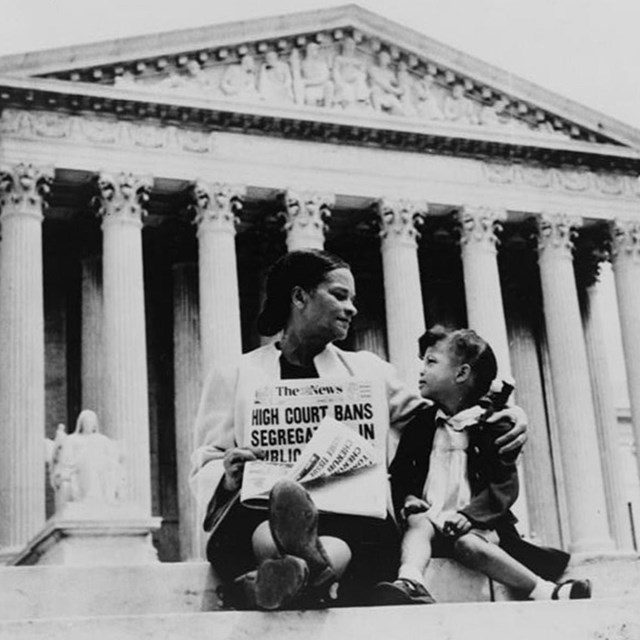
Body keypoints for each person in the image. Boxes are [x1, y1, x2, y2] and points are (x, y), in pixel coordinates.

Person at [190, 249, 528, 610]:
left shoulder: (368, 371)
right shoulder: (236, 374)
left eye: (353, 299)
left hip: (349, 516)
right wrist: (227, 475)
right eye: (339, 295)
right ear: (299, 297)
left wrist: (506, 411)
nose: (351, 308)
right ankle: (308, 570)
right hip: (261, 510)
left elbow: (441, 415)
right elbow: (207, 461)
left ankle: (283, 578)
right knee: (270, 522)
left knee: (352, 535)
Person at [373, 326, 590, 605]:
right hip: (432, 517)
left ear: (461, 374)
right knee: (418, 525)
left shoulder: (493, 425)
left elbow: (504, 485)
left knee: (469, 545)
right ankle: (411, 579)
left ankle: (545, 590)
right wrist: (409, 498)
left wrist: (472, 516)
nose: (421, 370)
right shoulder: (421, 424)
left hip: (480, 525)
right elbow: (400, 471)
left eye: (431, 362)